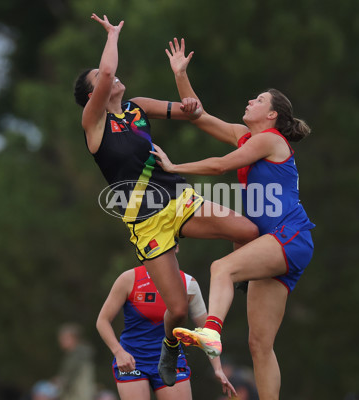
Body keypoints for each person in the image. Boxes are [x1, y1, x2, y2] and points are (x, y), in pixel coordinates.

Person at [73, 14, 258, 386]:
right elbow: (108, 71)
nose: (110, 77)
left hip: (178, 197)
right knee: (175, 308)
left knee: (248, 231)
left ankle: (238, 282)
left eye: (103, 73)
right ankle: (170, 348)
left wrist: (180, 76)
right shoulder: (93, 125)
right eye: (101, 79)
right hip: (147, 221)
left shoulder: (138, 107)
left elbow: (193, 110)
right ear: (93, 95)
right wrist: (112, 35)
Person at [150, 38, 316, 400]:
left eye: (258, 100)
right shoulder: (245, 136)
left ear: (272, 115)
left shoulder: (270, 140)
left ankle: (211, 329)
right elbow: (198, 116)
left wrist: (174, 166)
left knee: (220, 268)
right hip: (276, 245)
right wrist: (181, 77)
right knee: (259, 344)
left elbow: (221, 165)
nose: (250, 101)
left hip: (290, 237)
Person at [96, 259, 236, 399]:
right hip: (133, 359)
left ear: (176, 248)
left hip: (171, 359)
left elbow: (207, 331)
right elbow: (102, 321)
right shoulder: (129, 278)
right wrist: (119, 352)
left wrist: (218, 368)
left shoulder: (188, 283)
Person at [56, 323, 96, 400]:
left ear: (73, 338)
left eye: (64, 338)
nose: (61, 341)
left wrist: (59, 384)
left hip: (76, 395)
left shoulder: (77, 356)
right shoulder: (81, 354)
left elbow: (68, 378)